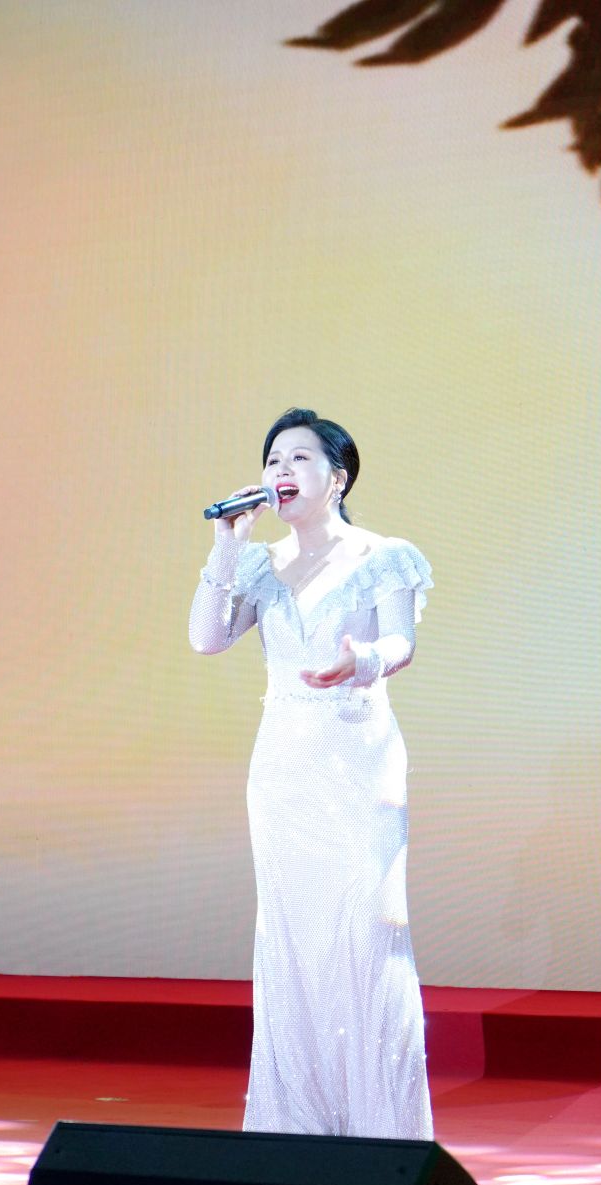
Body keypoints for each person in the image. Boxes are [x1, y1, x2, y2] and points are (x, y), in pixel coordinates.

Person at [188, 408, 435, 1141]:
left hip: (358, 761)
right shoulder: (258, 565)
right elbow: (206, 638)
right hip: (283, 769)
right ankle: (297, 1130)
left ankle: (382, 1134)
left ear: (338, 477)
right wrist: (226, 546)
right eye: (272, 460)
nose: (281, 471)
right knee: (293, 938)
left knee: (363, 933)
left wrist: (362, 661)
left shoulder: (383, 555)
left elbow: (401, 643)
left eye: (299, 458)